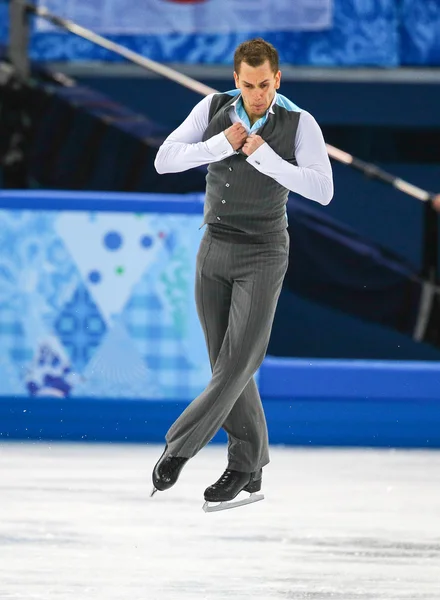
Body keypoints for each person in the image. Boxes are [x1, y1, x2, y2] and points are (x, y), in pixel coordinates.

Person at [151, 38, 333, 508]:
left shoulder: (299, 123)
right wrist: (217, 145)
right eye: (248, 85)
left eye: (265, 85)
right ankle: (250, 469)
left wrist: (265, 157)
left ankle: (180, 449)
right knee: (226, 366)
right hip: (213, 247)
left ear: (278, 79)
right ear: (236, 80)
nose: (257, 94)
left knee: (238, 363)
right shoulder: (212, 108)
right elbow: (164, 160)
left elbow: (323, 190)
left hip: (263, 252)